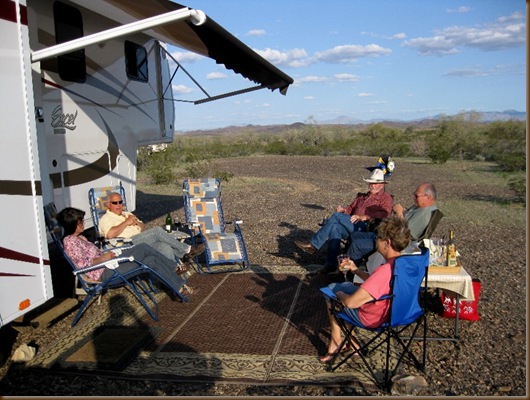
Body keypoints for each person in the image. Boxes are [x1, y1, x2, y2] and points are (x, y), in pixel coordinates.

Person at [319, 215, 411, 363]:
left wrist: (340, 294)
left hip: (374, 318)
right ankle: (353, 344)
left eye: (378, 237)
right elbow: (379, 284)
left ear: (387, 243)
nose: (375, 240)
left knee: (332, 291)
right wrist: (355, 270)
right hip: (398, 311)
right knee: (342, 287)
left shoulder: (385, 270)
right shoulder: (402, 264)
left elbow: (351, 303)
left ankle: (336, 343)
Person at [56, 207, 195, 297]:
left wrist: (108, 255)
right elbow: (83, 265)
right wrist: (103, 258)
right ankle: (174, 268)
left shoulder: (80, 237)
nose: (83, 224)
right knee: (143, 247)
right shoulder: (70, 242)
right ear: (72, 224)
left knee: (150, 260)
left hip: (111, 263)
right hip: (104, 273)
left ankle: (180, 288)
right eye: (80, 222)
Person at [295, 168, 393, 274]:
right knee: (335, 228)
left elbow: (385, 214)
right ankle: (331, 265)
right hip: (352, 223)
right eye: (371, 183)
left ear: (382, 185)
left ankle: (314, 244)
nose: (372, 185)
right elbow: (350, 208)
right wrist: (344, 210)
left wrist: (365, 216)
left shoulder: (386, 198)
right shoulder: (362, 197)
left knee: (336, 217)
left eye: (375, 183)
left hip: (365, 227)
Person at [98, 192, 205, 274]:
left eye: (120, 202)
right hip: (126, 245)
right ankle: (187, 249)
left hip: (140, 240)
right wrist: (127, 222)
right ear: (108, 204)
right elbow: (110, 235)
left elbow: (143, 227)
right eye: (115, 203)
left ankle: (173, 271)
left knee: (163, 246)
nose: (118, 205)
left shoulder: (127, 214)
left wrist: (136, 223)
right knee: (157, 230)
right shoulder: (106, 218)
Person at [346, 182, 437, 265]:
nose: (414, 197)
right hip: (387, 235)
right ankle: (343, 263)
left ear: (428, 198)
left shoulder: (424, 213)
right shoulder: (419, 206)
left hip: (393, 243)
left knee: (356, 245)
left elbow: (403, 234)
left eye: (416, 196)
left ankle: (350, 275)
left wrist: (399, 212)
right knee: (354, 235)